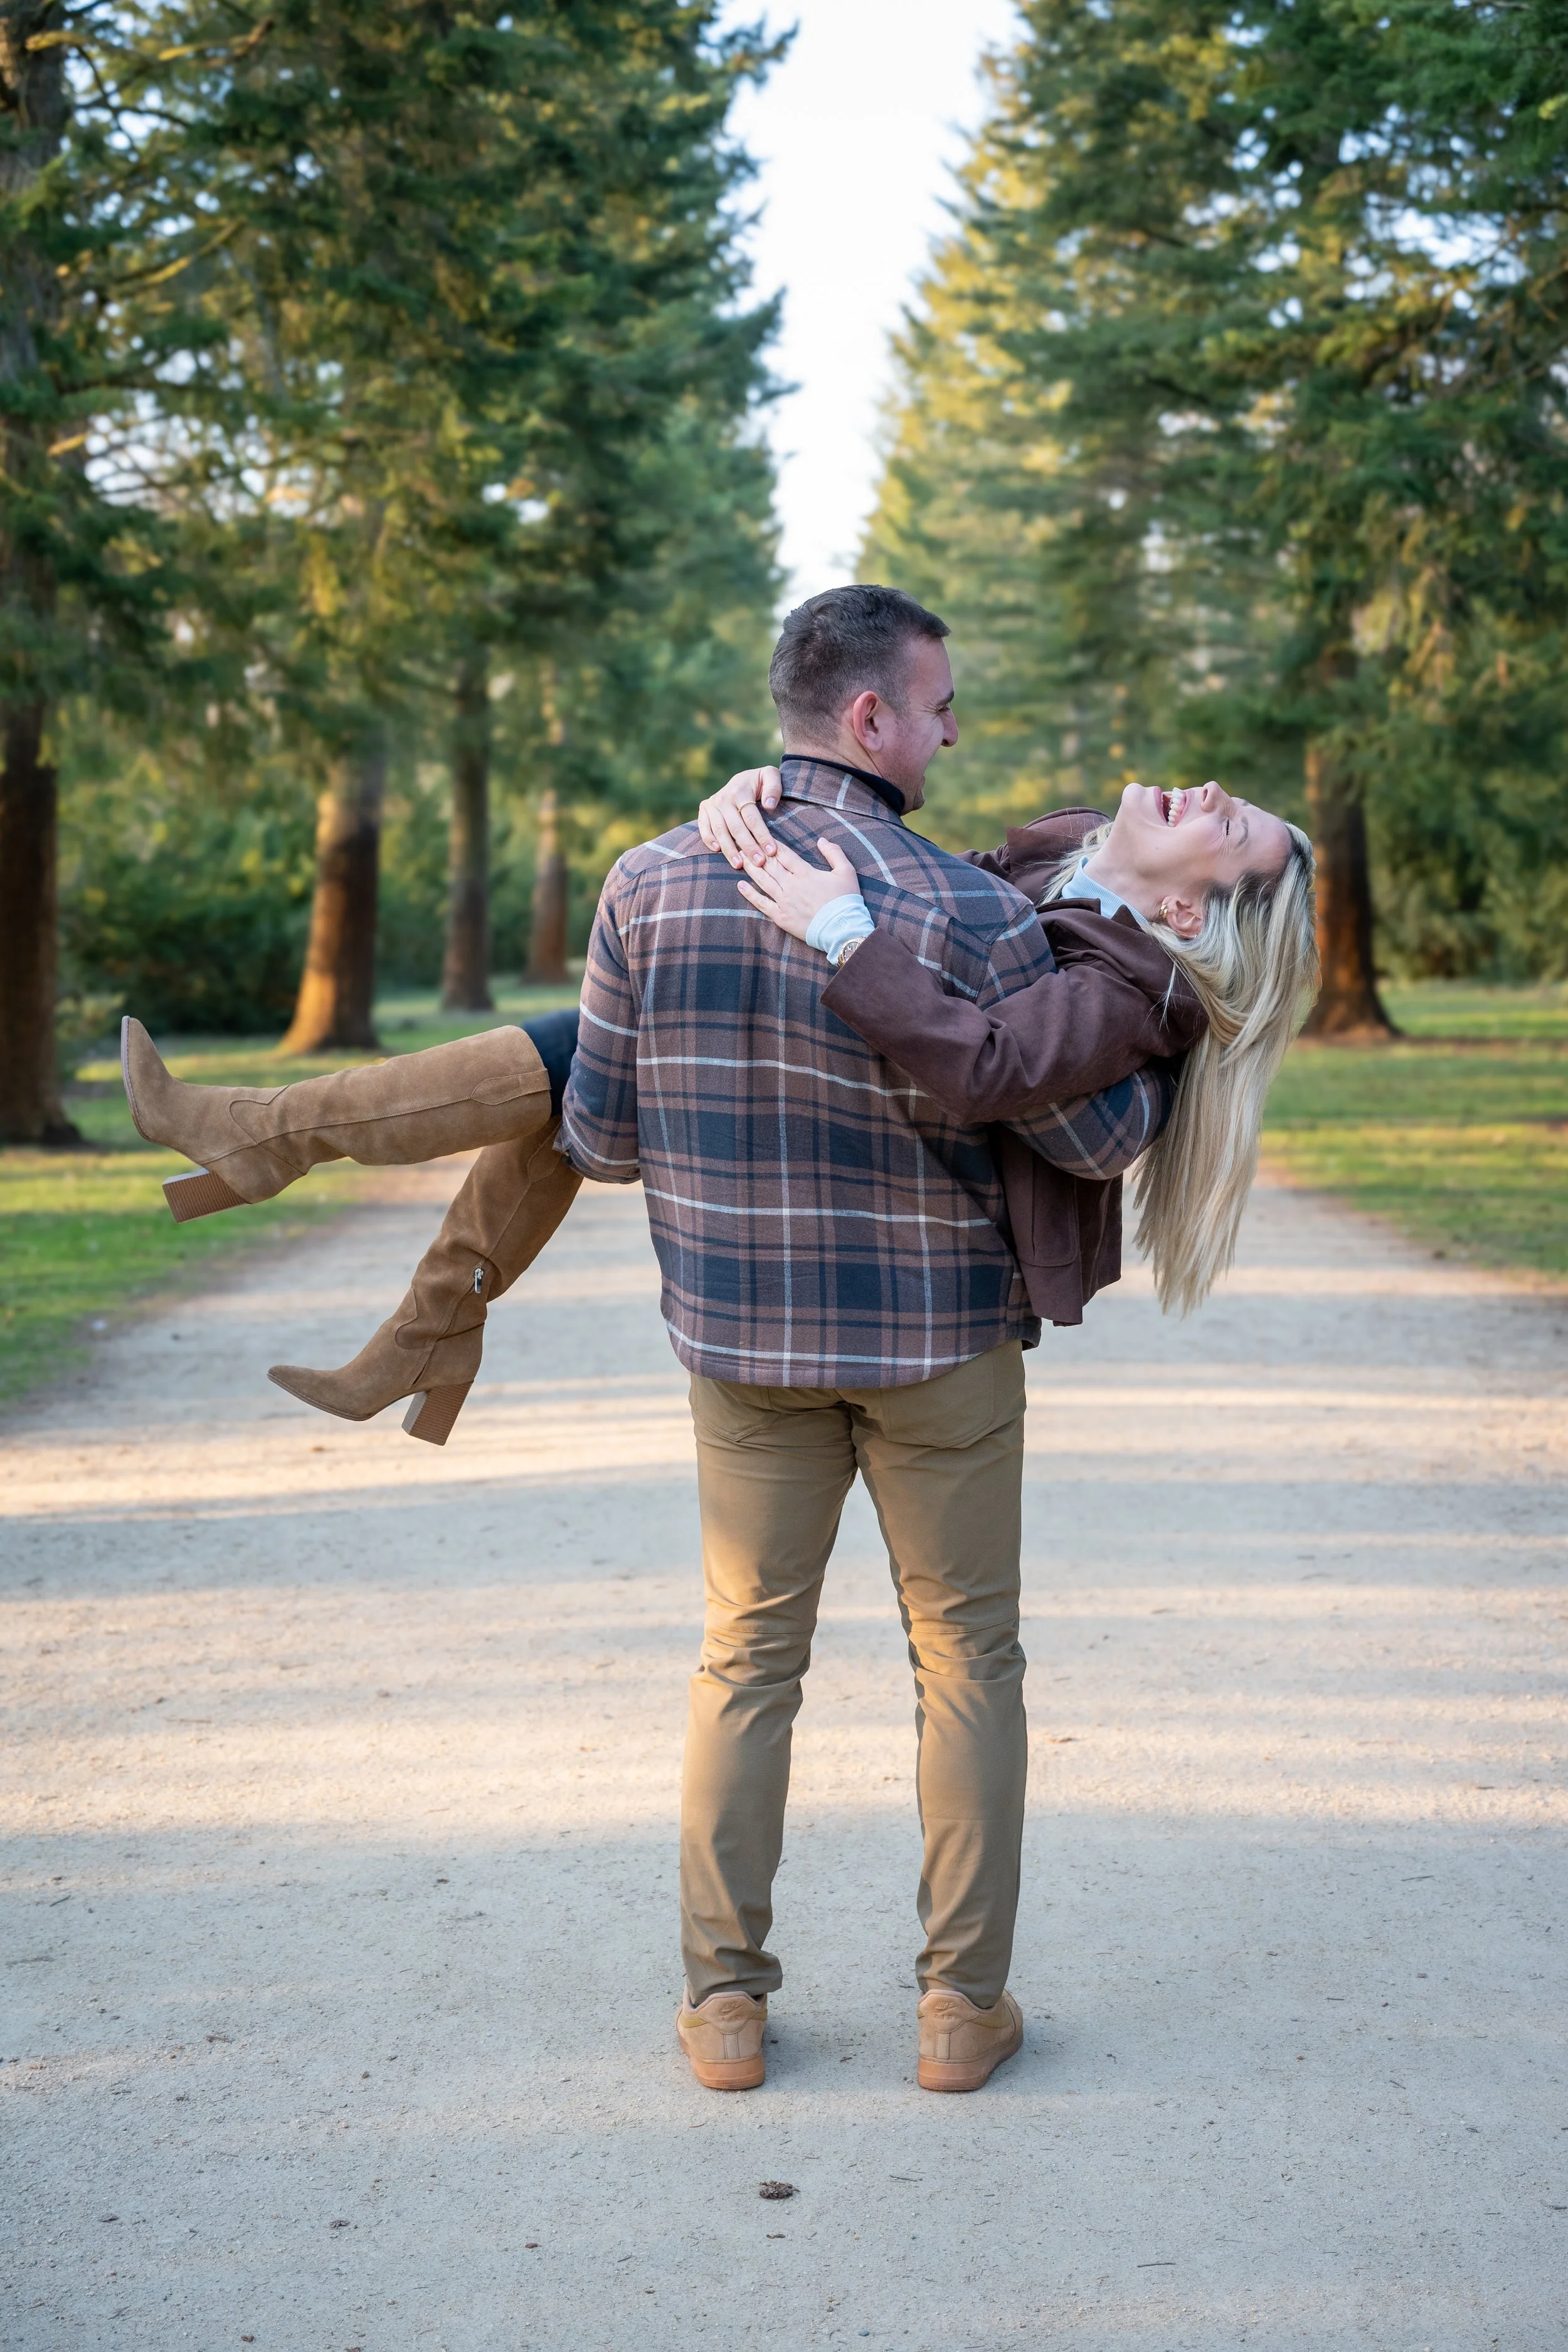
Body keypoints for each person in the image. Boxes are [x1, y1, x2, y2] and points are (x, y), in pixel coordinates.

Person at [121, 584, 1175, 2096]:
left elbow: (598, 1126)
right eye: (940, 706)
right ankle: (960, 2014)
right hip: (941, 1342)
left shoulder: (653, 879)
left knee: (745, 1661)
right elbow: (1081, 1136)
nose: (954, 732)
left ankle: (724, 2010)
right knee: (968, 1663)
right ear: (870, 716)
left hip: (742, 1340)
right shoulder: (975, 910)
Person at [700, 766, 1317, 1313]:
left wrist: (844, 934)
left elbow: (987, 1067)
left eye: (1231, 827)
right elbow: (936, 892)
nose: (1211, 791)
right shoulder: (1070, 837)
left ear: (1185, 913)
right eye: (1232, 800)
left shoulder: (1124, 992)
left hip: (943, 1251)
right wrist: (781, 799)